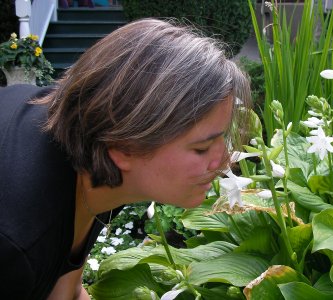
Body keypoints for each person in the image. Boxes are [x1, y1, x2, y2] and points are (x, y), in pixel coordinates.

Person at [0, 18, 251, 299]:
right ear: (124, 145)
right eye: (202, 148)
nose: (225, 161)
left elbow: (65, 290)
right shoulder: (15, 242)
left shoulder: (91, 157)